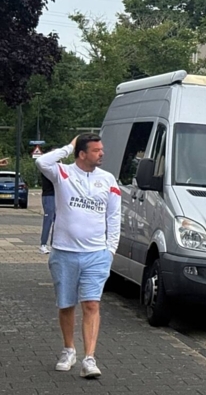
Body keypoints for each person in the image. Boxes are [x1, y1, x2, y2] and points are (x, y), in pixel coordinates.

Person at [34, 134, 120, 379]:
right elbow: (42, 163)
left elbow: (114, 216)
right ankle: (68, 349)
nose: (102, 154)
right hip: (64, 252)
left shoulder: (108, 179)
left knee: (92, 304)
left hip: (96, 254)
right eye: (96, 150)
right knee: (66, 304)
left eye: (102, 149)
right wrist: (68, 146)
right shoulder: (63, 174)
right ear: (82, 154)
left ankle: (89, 358)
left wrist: (110, 249)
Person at [39, 171, 55, 254]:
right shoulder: (46, 169)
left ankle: (53, 245)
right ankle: (43, 244)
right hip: (49, 195)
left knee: (57, 221)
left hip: (56, 195)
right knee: (48, 220)